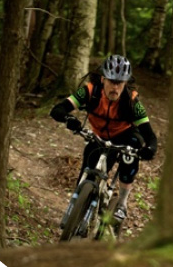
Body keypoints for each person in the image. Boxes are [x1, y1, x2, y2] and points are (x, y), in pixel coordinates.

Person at [50, 54, 157, 223]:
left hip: (124, 136)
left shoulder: (131, 101)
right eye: (111, 81)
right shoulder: (90, 91)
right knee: (87, 170)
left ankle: (121, 202)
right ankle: (79, 207)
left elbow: (149, 134)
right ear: (102, 79)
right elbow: (58, 109)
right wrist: (68, 119)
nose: (115, 87)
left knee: (131, 153)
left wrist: (150, 149)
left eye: (120, 82)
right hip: (98, 136)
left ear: (126, 83)